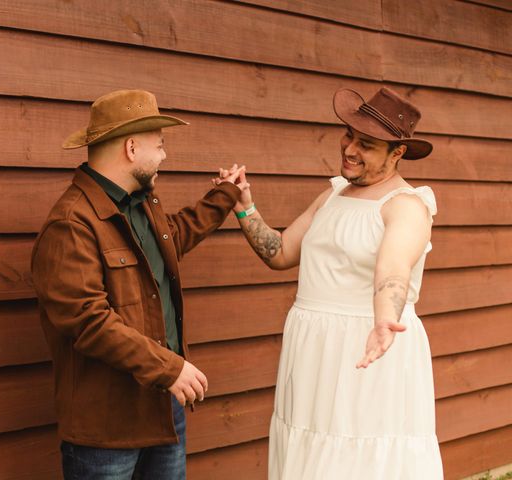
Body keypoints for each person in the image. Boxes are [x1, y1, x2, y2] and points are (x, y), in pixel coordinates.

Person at [217, 87, 443, 479]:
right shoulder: (335, 194)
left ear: (397, 153)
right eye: (349, 135)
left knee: (357, 458)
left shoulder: (407, 206)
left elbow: (392, 270)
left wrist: (384, 320)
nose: (350, 149)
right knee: (309, 454)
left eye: (367, 145)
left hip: (367, 349)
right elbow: (281, 252)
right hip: (314, 348)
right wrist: (244, 207)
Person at [31, 89, 244, 480]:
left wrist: (225, 194)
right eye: (159, 145)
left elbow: (174, 237)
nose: (164, 155)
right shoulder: (71, 224)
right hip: (107, 431)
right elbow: (87, 321)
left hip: (163, 411)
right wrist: (170, 369)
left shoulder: (141, 204)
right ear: (131, 147)